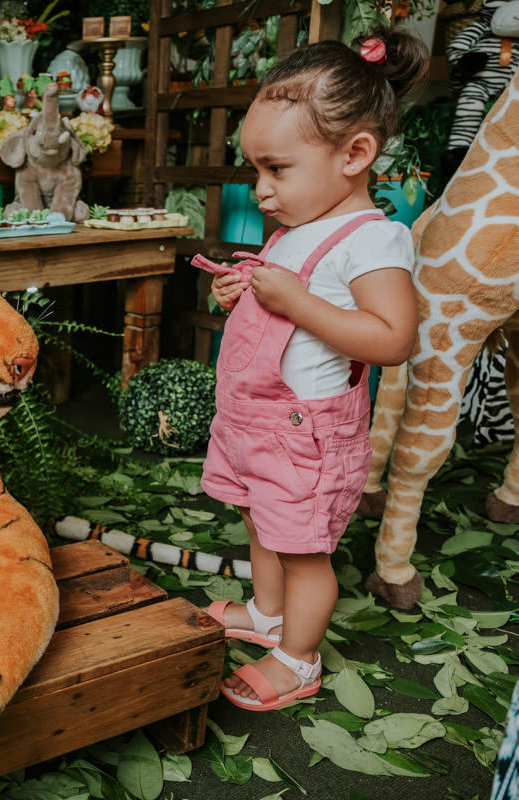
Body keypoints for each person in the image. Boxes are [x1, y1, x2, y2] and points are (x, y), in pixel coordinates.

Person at [194, 28, 428, 711]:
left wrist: (291, 299)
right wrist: (241, 294)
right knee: (262, 524)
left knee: (302, 551)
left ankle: (298, 661)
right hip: (255, 422)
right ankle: (269, 617)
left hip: (305, 432)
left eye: (277, 169)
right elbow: (283, 309)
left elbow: (393, 338)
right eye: (255, 171)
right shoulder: (296, 226)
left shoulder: (374, 239)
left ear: (356, 153)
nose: (261, 190)